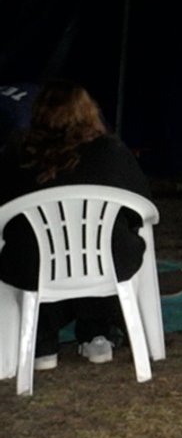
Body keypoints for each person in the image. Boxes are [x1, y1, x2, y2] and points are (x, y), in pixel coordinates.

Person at [0, 81, 153, 371]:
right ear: (88, 111)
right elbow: (139, 209)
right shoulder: (111, 150)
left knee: (50, 253)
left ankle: (42, 341)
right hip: (107, 262)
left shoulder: (16, 152)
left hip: (33, 266)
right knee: (95, 249)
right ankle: (98, 332)